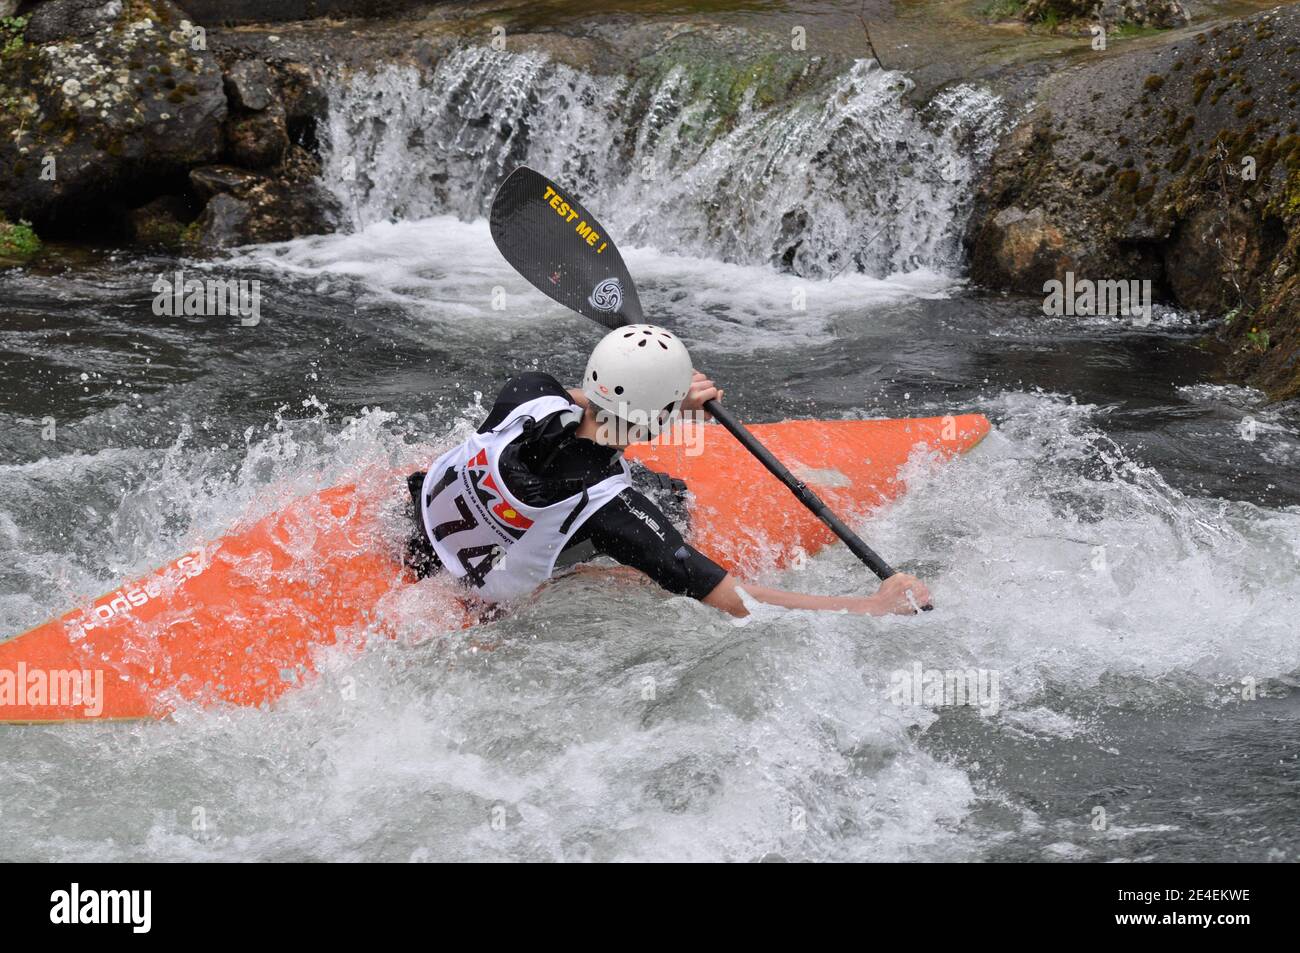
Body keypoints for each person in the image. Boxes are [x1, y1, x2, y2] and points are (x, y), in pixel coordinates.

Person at [406, 324, 930, 617]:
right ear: (655, 422)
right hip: (473, 589)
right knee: (670, 498)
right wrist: (874, 606)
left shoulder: (528, 389)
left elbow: (592, 407)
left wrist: (664, 397)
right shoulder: (617, 513)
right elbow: (740, 601)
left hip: (414, 525)